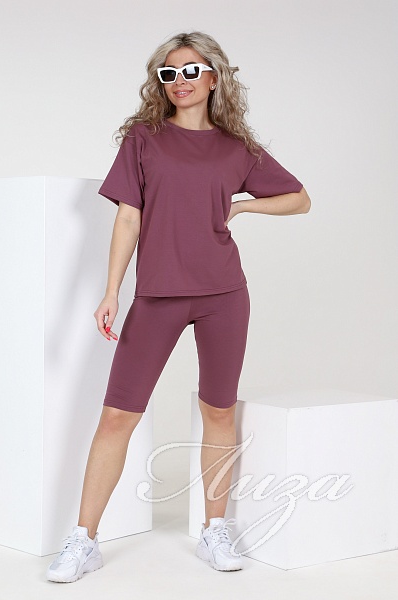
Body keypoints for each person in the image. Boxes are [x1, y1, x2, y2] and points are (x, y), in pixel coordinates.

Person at [46, 30, 311, 583]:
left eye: (191, 71)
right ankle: (83, 540)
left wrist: (242, 207)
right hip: (157, 294)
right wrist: (112, 290)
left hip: (223, 293)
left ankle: (216, 530)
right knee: (118, 414)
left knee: (219, 410)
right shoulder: (144, 139)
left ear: (214, 77)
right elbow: (128, 216)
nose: (179, 81)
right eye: (168, 73)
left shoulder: (237, 148)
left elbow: (299, 198)